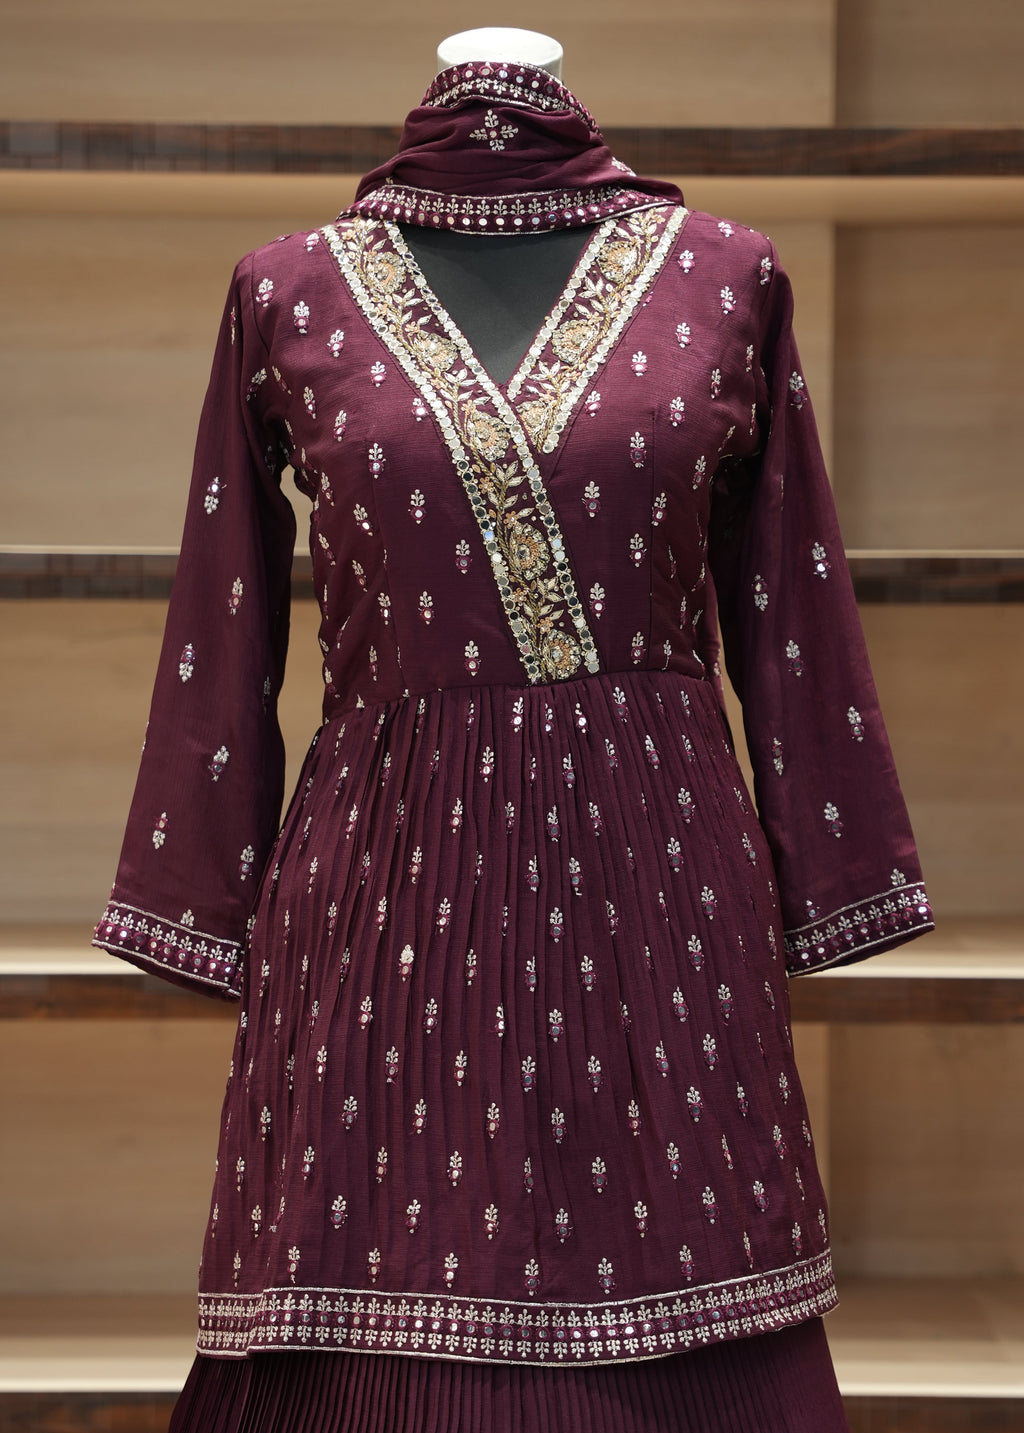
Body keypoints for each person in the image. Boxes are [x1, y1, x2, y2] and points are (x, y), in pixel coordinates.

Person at [94, 30, 934, 1432]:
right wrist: (200, 892)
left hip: (658, 878)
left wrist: (838, 872)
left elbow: (794, 603)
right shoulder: (286, 289)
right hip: (384, 895)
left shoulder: (731, 276)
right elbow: (221, 609)